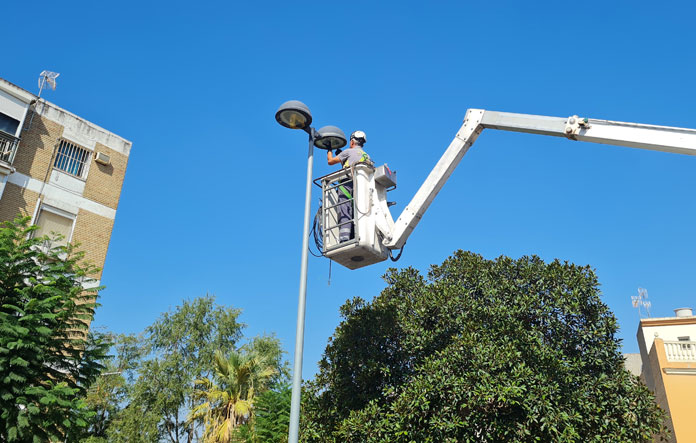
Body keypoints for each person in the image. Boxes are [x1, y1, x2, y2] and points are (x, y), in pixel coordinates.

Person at [327, 130, 372, 242]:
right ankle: (357, 233)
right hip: (361, 186)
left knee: (344, 207)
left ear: (352, 141)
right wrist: (342, 158)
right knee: (358, 209)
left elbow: (330, 161)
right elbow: (352, 164)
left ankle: (344, 237)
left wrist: (329, 150)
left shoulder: (348, 152)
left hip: (346, 184)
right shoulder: (367, 156)